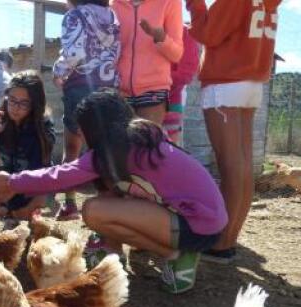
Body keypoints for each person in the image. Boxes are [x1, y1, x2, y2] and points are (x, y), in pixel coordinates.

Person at [0, 90, 227, 294]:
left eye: (83, 129)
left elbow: (58, 177)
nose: (81, 136)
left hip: (197, 225)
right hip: (207, 222)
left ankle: (175, 255)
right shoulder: (143, 138)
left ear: (94, 129)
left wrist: (12, 181)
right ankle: (121, 247)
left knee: (94, 211)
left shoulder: (118, 150)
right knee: (109, 199)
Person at [187, 0, 282, 264]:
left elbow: (208, 34)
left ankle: (220, 244)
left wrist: (195, 5)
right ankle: (228, 240)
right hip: (251, 84)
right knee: (243, 164)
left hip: (225, 84)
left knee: (230, 165)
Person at [52, 0, 121, 221]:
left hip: (80, 86)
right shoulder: (112, 17)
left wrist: (58, 71)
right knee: (104, 151)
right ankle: (108, 207)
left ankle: (70, 204)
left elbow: (74, 53)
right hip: (109, 88)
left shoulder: (74, 16)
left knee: (72, 148)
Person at [0, 70, 55, 220]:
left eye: (23, 103)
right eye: (12, 100)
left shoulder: (43, 128)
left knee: (32, 205)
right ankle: (3, 208)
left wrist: (14, 188)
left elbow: (37, 170)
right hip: (9, 184)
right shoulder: (1, 120)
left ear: (34, 104)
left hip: (33, 185)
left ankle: (22, 212)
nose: (15, 107)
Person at [112, 0, 183, 125]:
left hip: (153, 90)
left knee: (147, 143)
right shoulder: (113, 4)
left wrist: (161, 38)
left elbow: (176, 55)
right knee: (120, 144)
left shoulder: (170, 2)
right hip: (118, 90)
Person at [163, 25, 199, 146]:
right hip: (139, 99)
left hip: (172, 99)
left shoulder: (184, 32)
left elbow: (186, 73)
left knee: (172, 148)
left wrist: (156, 79)